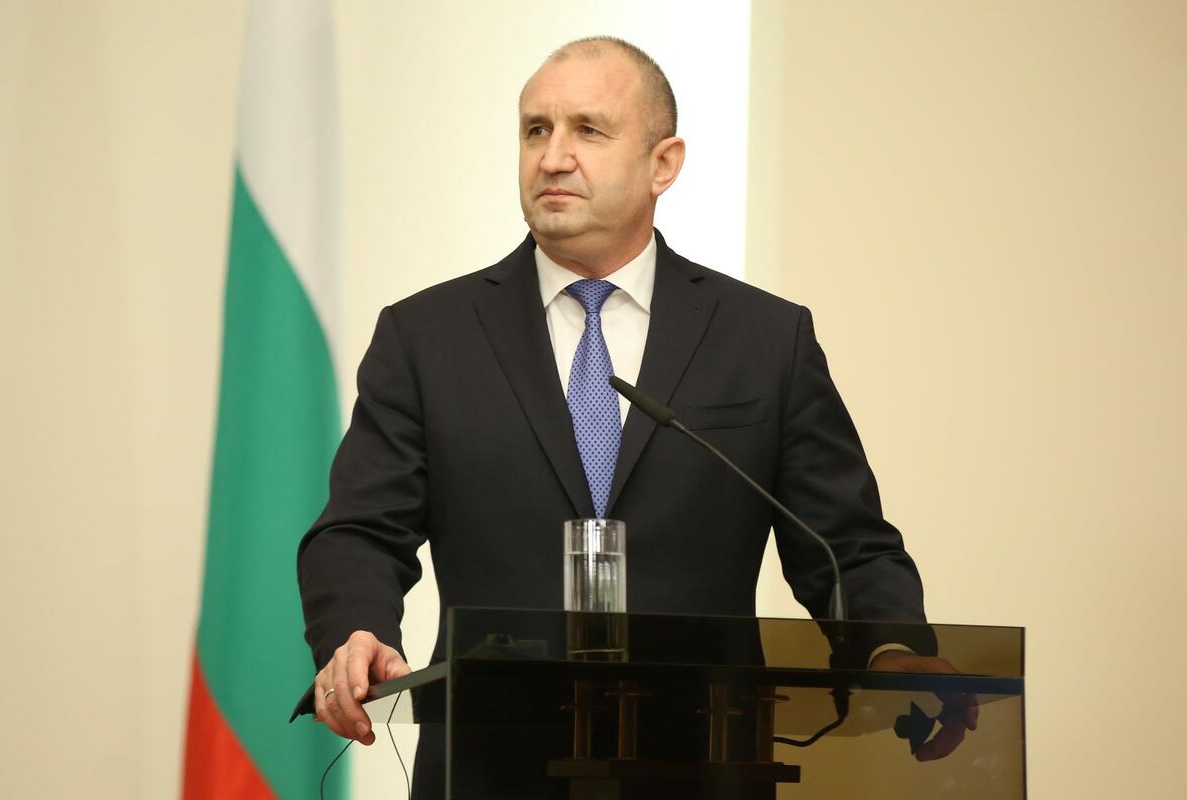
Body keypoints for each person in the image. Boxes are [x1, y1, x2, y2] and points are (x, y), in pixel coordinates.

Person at [295, 35, 976, 788]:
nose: (553, 157)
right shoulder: (428, 337)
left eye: (588, 130)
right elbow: (360, 530)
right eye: (535, 130)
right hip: (491, 771)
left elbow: (845, 544)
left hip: (703, 767)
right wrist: (357, 630)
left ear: (664, 164)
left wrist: (891, 647)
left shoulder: (763, 340)